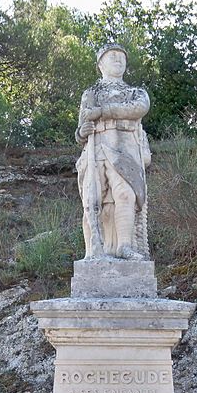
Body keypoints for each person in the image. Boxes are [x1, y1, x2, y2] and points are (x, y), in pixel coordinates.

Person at [75, 44, 151, 260]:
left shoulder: (136, 92)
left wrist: (103, 112)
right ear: (100, 64)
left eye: (121, 57)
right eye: (112, 56)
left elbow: (138, 108)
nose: (118, 59)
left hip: (125, 147)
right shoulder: (91, 93)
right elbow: (80, 130)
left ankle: (125, 246)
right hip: (96, 146)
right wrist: (82, 131)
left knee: (126, 195)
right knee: (92, 202)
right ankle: (92, 250)